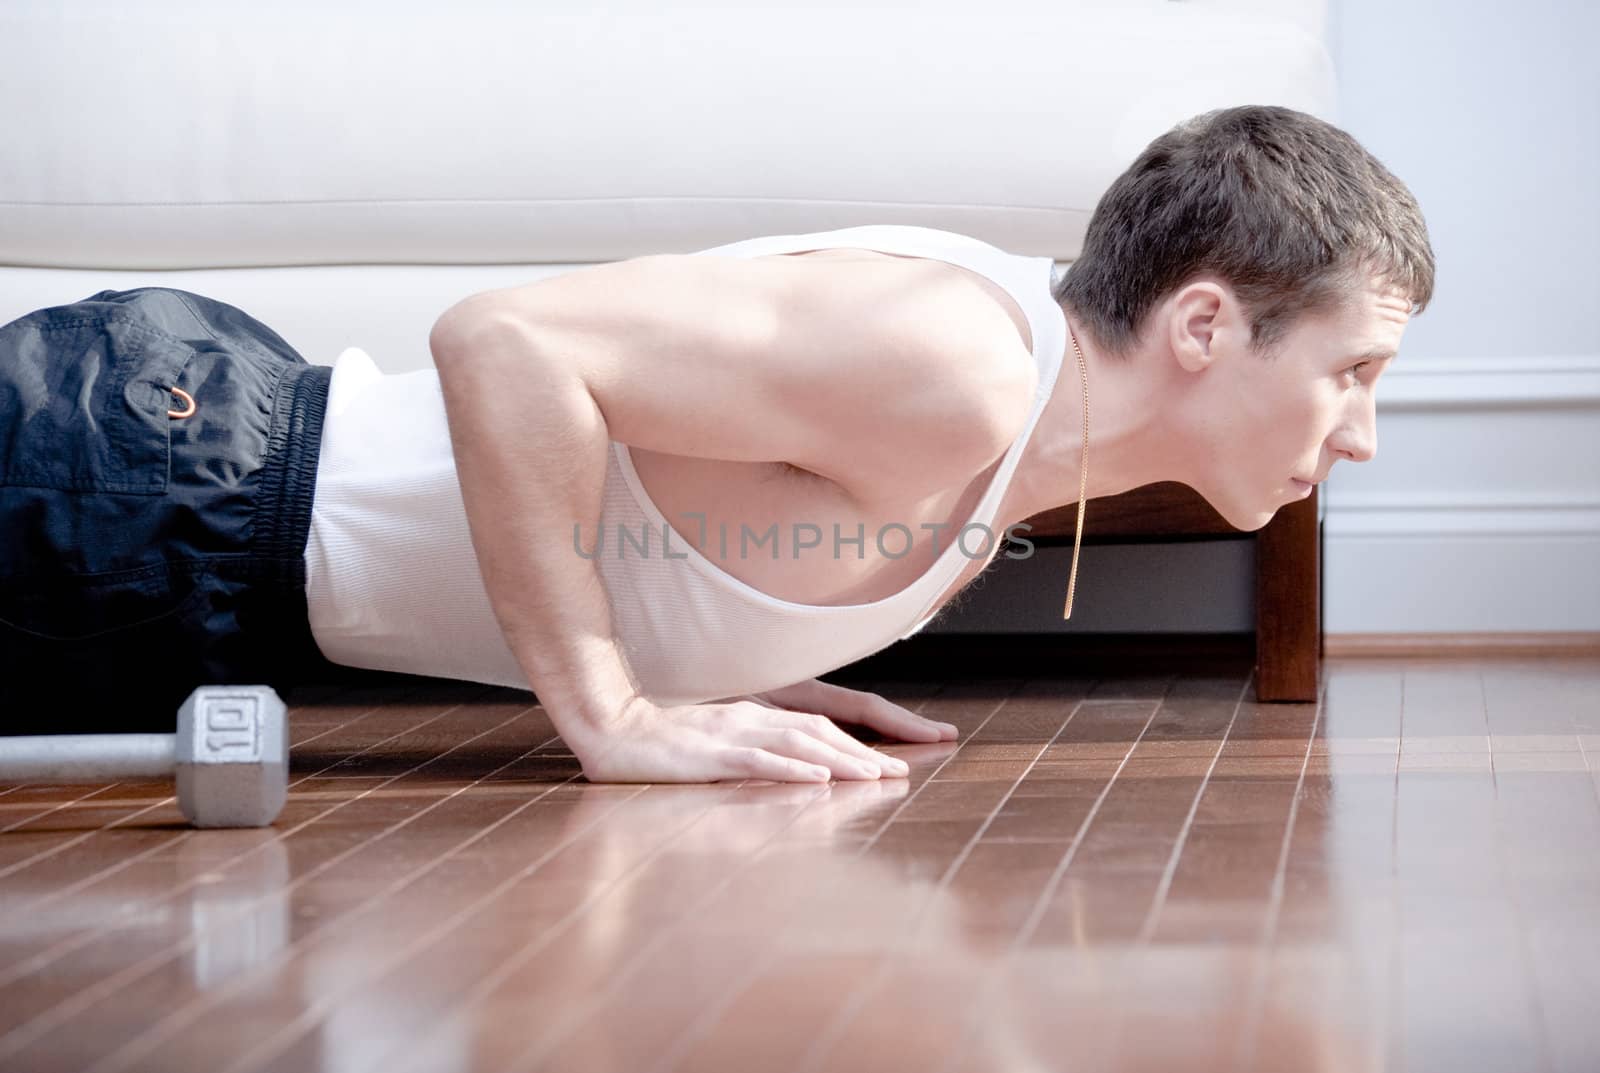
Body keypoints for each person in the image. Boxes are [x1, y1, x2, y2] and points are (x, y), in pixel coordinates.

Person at [0, 105, 1433, 785]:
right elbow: (506, 344)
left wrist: (731, 657)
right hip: (148, 480)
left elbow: (670, 501)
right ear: (1202, 324)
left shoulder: (1013, 452)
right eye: (1352, 370)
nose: (1360, 433)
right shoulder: (966, 368)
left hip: (193, 562)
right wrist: (615, 709)